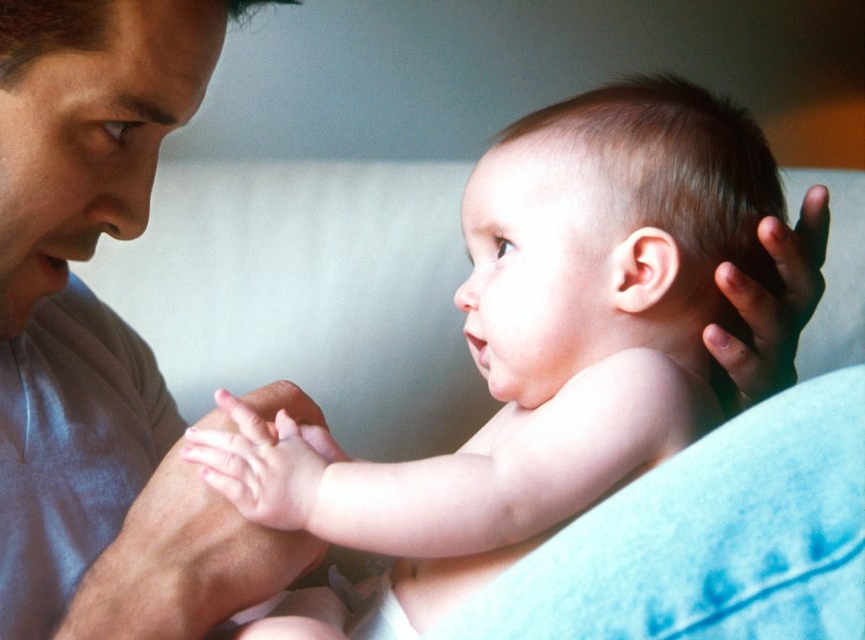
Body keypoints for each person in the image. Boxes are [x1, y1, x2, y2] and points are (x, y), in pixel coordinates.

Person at [0, 1, 831, 638]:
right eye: (116, 130)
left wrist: (717, 407)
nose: (135, 212)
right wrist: (148, 590)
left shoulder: (74, 338)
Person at [180, 75, 828, 639]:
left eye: (503, 250)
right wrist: (345, 482)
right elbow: (458, 499)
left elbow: (503, 497)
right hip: (379, 604)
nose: (466, 292)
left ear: (637, 272)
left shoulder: (648, 386)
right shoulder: (568, 394)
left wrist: (316, 492)